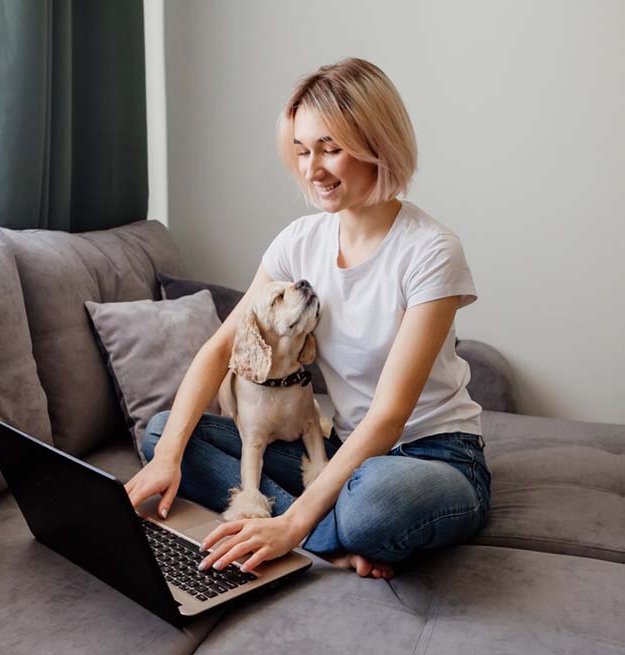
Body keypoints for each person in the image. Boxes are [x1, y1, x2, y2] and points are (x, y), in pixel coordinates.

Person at [125, 57, 491, 580]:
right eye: (301, 150)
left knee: (374, 506)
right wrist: (167, 460)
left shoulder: (431, 251)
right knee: (164, 434)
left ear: (376, 145)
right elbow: (221, 349)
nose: (311, 169)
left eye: (330, 149)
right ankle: (328, 535)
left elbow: (388, 416)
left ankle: (309, 527)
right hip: (348, 451)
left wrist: (294, 523)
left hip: (436, 458)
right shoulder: (300, 241)